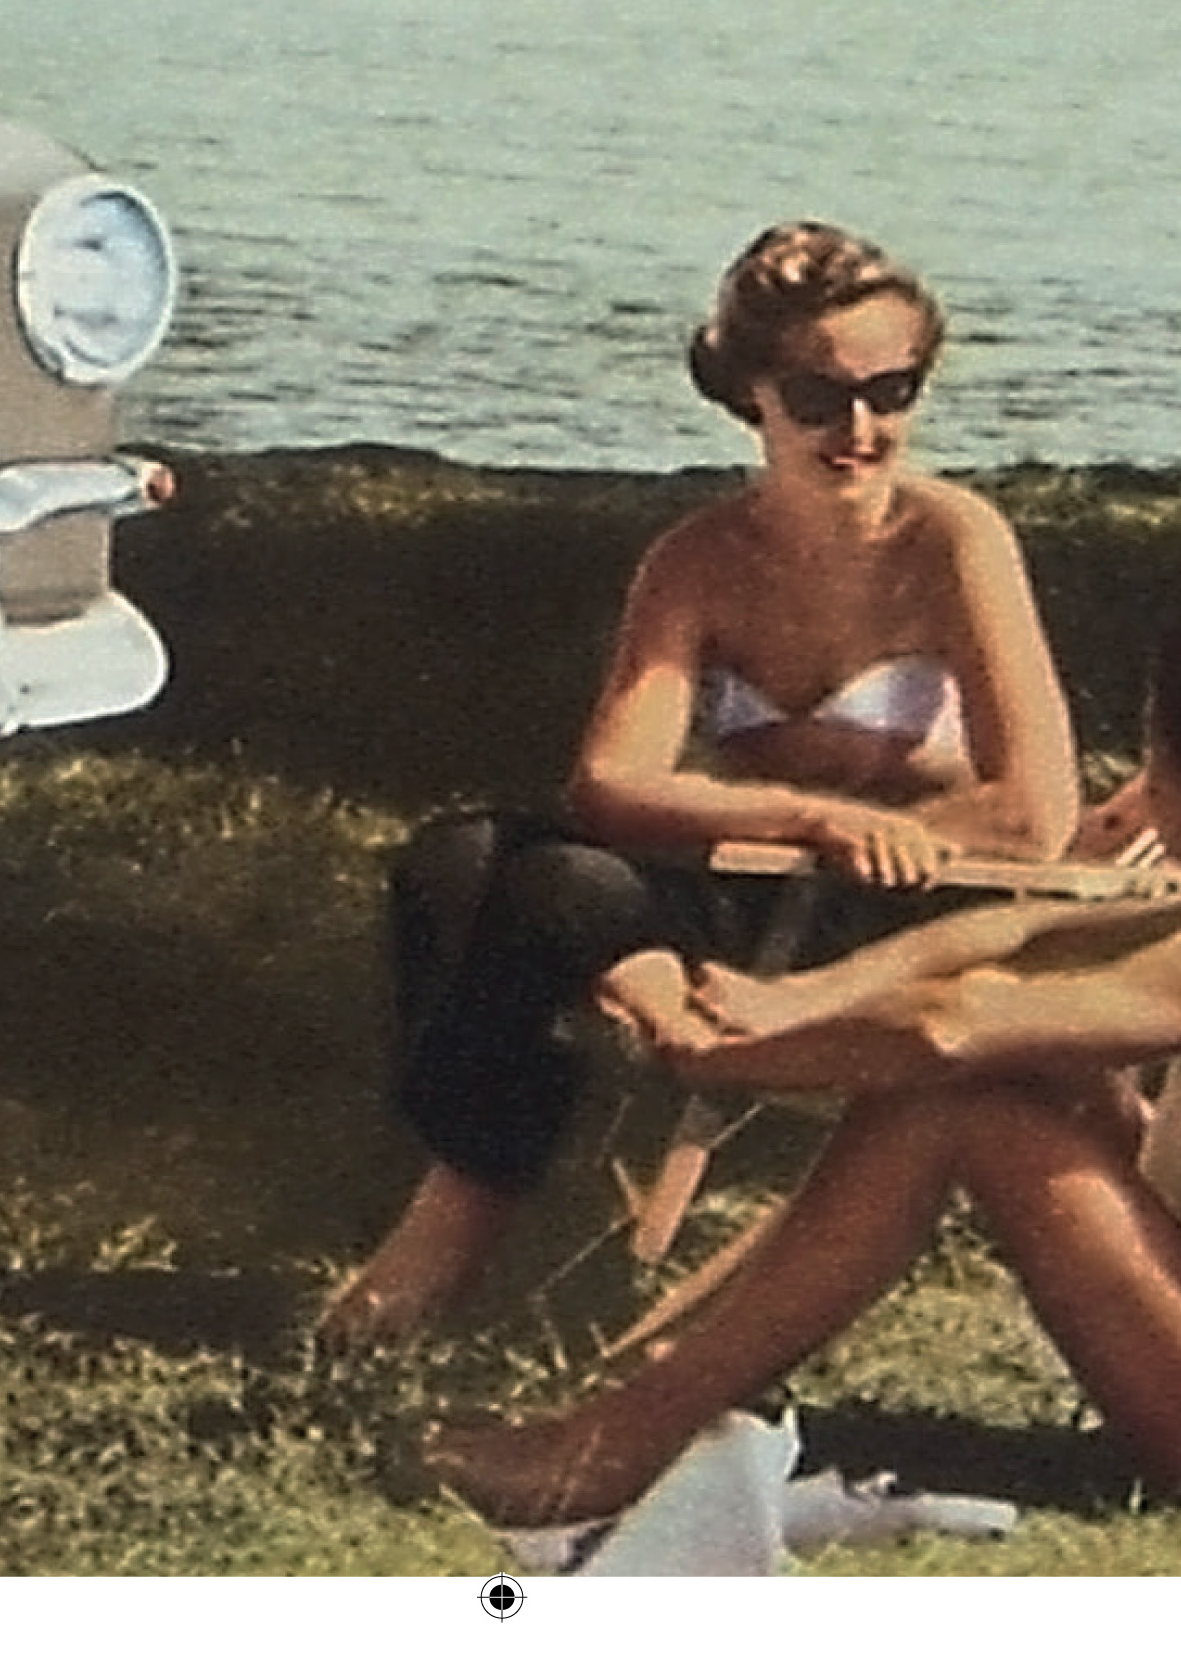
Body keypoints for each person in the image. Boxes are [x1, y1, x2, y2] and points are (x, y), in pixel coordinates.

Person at [429, 594, 1181, 1528]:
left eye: (1150, 752)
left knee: (951, 1109)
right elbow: (1023, 933)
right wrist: (800, 997)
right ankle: (654, 1402)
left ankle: (609, 1449)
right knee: (1023, 1072)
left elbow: (947, 1030)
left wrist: (728, 1062)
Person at [319, 221, 1079, 1343]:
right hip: (765, 893)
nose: (859, 431)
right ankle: (524, 1145)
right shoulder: (701, 558)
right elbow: (609, 783)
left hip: (905, 914)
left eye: (892, 392)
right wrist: (814, 819)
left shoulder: (953, 540)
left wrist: (880, 837)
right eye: (817, 398)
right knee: (460, 858)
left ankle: (462, 1222)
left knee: (546, 894)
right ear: (748, 395)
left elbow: (1037, 812)